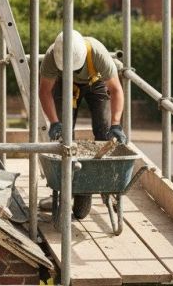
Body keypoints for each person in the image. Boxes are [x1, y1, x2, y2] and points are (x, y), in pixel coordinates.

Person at [39, 29, 126, 218]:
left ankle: (103, 186)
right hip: (66, 85)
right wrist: (54, 123)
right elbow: (45, 91)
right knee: (65, 138)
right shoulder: (52, 57)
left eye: (75, 68)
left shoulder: (96, 52)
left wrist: (116, 124)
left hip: (96, 83)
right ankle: (65, 192)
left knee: (104, 135)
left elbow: (116, 90)